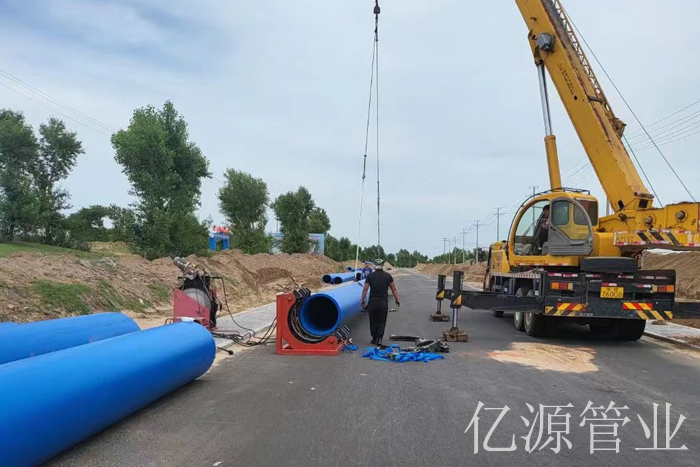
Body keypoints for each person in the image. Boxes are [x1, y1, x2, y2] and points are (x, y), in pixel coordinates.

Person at [361, 259, 401, 347]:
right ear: (383, 266)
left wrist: (362, 300)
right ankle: (379, 339)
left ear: (375, 266)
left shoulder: (370, 276)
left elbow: (365, 289)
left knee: (373, 321)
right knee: (382, 321)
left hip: (373, 303)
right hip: (383, 303)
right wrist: (397, 299)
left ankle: (374, 338)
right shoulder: (388, 276)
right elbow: (393, 288)